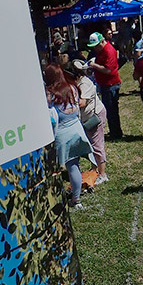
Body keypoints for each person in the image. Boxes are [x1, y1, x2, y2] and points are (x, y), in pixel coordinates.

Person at [43, 64, 94, 209]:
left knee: (57, 168)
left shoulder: (50, 92)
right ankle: (76, 198)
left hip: (62, 133)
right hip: (76, 128)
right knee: (74, 166)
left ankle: (56, 197)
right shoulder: (71, 87)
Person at [68, 59, 109, 185]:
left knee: (97, 145)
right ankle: (94, 168)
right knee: (91, 145)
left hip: (94, 116)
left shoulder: (85, 84)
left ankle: (102, 174)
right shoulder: (79, 83)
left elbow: (82, 102)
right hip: (88, 117)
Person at [87, 31, 123, 139]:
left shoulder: (108, 51)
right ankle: (114, 131)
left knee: (111, 109)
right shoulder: (102, 50)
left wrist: (94, 65)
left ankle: (116, 133)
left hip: (110, 84)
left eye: (96, 46)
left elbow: (108, 70)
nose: (95, 49)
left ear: (102, 42)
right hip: (105, 84)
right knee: (109, 109)